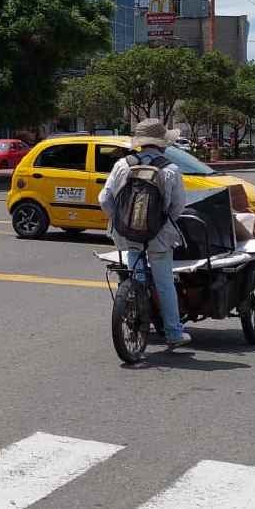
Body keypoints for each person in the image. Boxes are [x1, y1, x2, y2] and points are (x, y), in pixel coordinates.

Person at [99, 119, 191, 349]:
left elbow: (104, 199)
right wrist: (160, 222)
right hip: (159, 236)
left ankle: (138, 324)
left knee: (136, 277)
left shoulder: (122, 165)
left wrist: (120, 221)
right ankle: (173, 333)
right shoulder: (170, 169)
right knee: (164, 283)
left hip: (127, 234)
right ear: (162, 143)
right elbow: (178, 206)